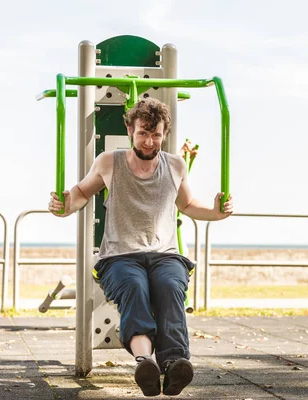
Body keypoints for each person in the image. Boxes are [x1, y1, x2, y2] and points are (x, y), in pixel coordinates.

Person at [48, 98, 233, 397]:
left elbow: (187, 204)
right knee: (134, 287)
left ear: (164, 133)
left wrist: (216, 212)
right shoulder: (110, 161)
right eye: (143, 134)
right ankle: (145, 362)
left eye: (156, 134)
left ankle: (174, 364)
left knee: (171, 287)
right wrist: (65, 205)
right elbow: (82, 192)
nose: (149, 141)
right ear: (130, 130)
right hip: (120, 257)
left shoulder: (175, 165)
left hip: (164, 255)